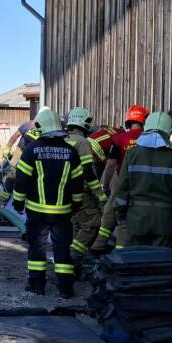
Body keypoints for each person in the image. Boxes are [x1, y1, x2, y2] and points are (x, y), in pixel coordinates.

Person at [11, 108, 84, 296]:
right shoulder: (71, 152)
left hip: (37, 213)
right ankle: (66, 289)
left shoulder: (31, 150)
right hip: (63, 213)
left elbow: (21, 180)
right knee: (62, 250)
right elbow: (78, 183)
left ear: (40, 127)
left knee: (37, 249)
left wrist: (18, 203)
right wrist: (76, 205)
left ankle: (37, 286)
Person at [112, 111, 172, 248]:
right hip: (164, 220)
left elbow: (122, 188)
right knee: (160, 257)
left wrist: (120, 214)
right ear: (168, 131)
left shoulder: (132, 154)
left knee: (136, 256)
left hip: (136, 217)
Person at [99, 105, 149, 248]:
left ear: (128, 120)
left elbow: (110, 165)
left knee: (117, 216)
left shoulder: (119, 139)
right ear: (145, 120)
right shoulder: (150, 140)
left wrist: (105, 186)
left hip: (123, 184)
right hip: (144, 186)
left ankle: (102, 247)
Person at [64, 107, 110, 265]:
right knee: (91, 223)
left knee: (76, 225)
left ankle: (70, 263)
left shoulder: (63, 140)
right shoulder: (82, 142)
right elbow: (88, 171)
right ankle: (73, 257)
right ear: (84, 123)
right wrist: (99, 194)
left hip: (65, 192)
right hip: (82, 192)